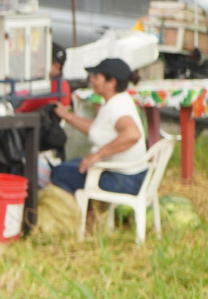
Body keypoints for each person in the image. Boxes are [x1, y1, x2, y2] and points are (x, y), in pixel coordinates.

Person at [51, 58, 147, 196]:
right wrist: (66, 115)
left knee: (59, 173)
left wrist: (97, 155)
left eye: (96, 77)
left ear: (111, 82)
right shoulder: (120, 100)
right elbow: (97, 128)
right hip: (133, 175)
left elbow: (132, 134)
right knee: (70, 165)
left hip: (123, 179)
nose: (92, 80)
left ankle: (80, 208)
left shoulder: (117, 107)